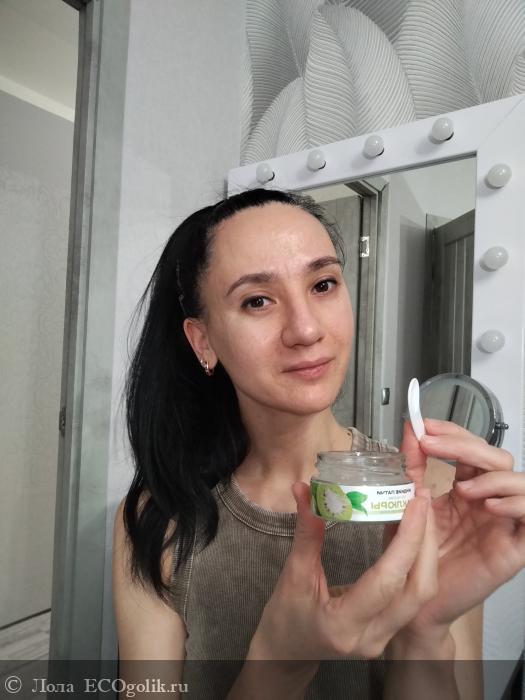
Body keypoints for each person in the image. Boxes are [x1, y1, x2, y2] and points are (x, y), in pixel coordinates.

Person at [112, 188, 525, 699]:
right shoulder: (160, 519)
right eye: (257, 300)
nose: (306, 330)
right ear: (204, 341)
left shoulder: (436, 495)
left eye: (323, 284)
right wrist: (278, 664)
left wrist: (422, 632)